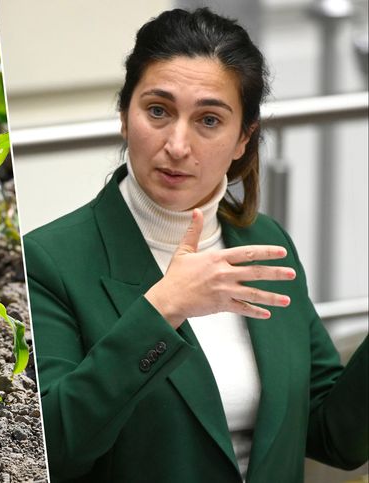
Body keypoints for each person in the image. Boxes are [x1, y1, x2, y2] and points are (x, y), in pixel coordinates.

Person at [23, 8, 368, 483]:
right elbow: (53, 452)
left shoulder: (265, 242)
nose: (178, 145)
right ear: (125, 116)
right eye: (158, 111)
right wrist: (162, 308)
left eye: (209, 120)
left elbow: (334, 435)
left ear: (243, 139)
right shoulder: (49, 261)